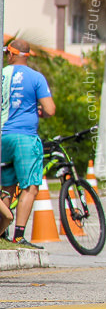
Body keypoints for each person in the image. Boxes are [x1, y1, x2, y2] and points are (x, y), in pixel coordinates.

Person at [0, 40, 56, 248]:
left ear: (11, 55)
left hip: (2, 138)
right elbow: (50, 109)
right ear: (27, 56)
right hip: (24, 137)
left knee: (6, 187)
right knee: (30, 186)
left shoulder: (2, 74)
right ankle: (18, 236)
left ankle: (2, 233)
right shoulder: (36, 77)